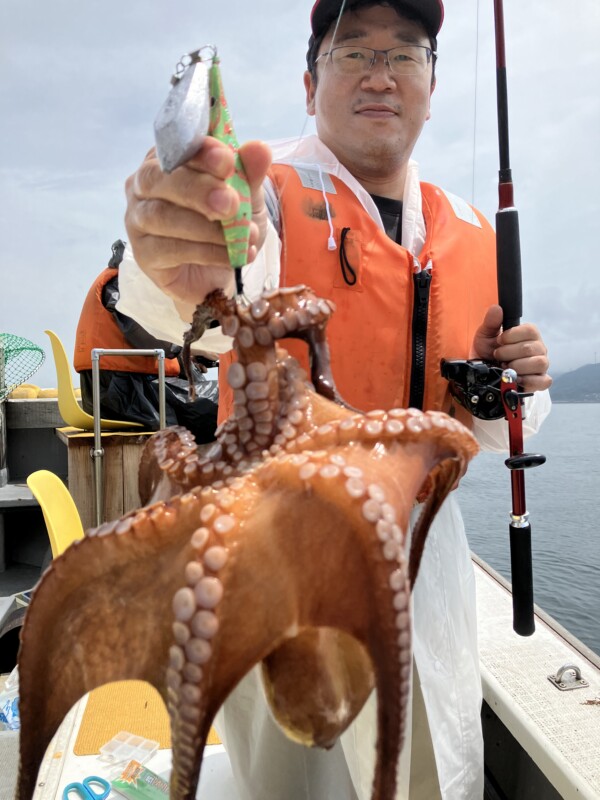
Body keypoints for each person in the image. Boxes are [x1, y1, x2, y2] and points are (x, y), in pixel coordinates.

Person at [118, 0, 552, 797]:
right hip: (277, 550)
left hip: (425, 553)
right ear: (310, 79)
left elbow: (492, 425)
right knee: (295, 770)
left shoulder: (472, 233)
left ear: (431, 82)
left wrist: (513, 384)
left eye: (405, 55)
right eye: (354, 53)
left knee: (430, 765)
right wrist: (172, 264)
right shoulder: (265, 191)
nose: (380, 75)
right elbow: (214, 282)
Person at [74, 239, 219, 444]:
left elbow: (159, 342)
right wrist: (196, 348)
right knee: (227, 402)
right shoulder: (121, 284)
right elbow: (146, 336)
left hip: (134, 386)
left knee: (222, 399)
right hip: (123, 391)